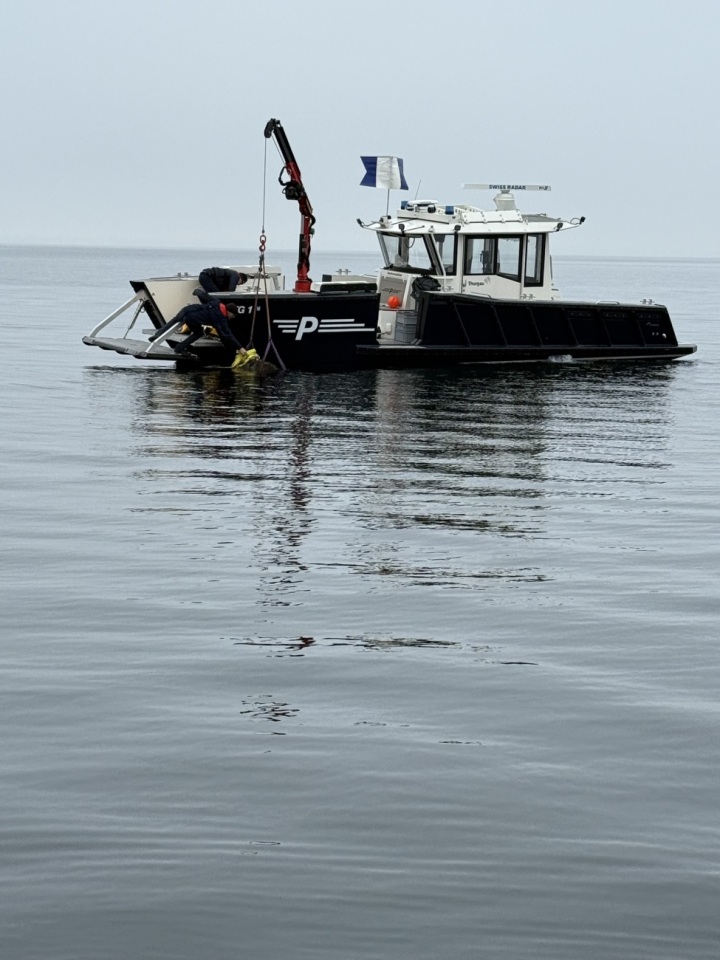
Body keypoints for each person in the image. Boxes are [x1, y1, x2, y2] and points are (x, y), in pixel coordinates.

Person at [149, 299, 250, 361]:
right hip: (192, 318)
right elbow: (228, 334)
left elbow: (204, 296)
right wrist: (240, 347)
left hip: (186, 310)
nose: (233, 317)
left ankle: (158, 335)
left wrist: (197, 291)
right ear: (229, 311)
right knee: (198, 333)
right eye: (233, 315)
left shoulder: (217, 302)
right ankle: (180, 348)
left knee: (174, 321)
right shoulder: (220, 318)